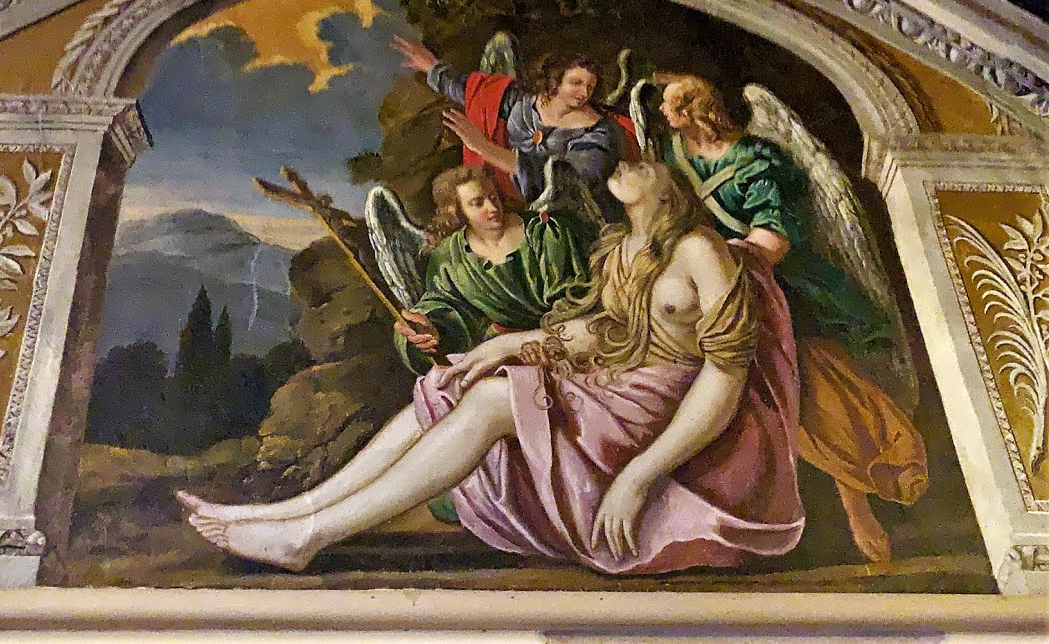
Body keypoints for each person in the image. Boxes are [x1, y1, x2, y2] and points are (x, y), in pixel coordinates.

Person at [179, 157, 804, 575]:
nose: (627, 162)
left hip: (660, 406)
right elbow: (603, 330)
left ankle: (309, 537)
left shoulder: (701, 250)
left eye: (644, 164)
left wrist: (640, 474)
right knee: (451, 379)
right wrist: (499, 347)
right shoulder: (621, 247)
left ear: (669, 190)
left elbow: (726, 376)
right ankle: (289, 512)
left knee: (490, 400)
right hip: (619, 385)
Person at [658, 75, 927, 565]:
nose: (662, 111)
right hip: (713, 286)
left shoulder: (758, 159)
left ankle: (857, 508)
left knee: (816, 396)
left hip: (783, 285)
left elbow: (775, 238)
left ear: (698, 109)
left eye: (672, 103)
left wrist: (720, 263)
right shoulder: (677, 155)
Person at [393, 39, 636, 214]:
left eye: (590, 87)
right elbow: (473, 91)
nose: (584, 92)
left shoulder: (600, 133)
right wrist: (432, 67)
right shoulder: (521, 99)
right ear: (555, 79)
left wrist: (483, 147)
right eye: (576, 83)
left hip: (561, 220)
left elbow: (569, 180)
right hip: (500, 207)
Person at [392, 166, 592, 374]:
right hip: (502, 355)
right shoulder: (450, 256)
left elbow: (573, 299)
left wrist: (542, 343)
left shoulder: (545, 231)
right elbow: (443, 306)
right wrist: (427, 329)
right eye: (477, 203)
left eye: (493, 197)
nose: (492, 207)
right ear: (458, 211)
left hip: (563, 340)